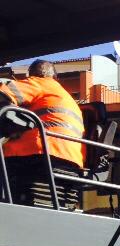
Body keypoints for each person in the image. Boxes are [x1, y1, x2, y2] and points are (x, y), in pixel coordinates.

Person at [0, 60, 85, 209]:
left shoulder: (39, 83)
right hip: (72, 163)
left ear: (31, 75)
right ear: (56, 77)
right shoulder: (69, 99)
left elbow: (4, 92)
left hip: (37, 155)